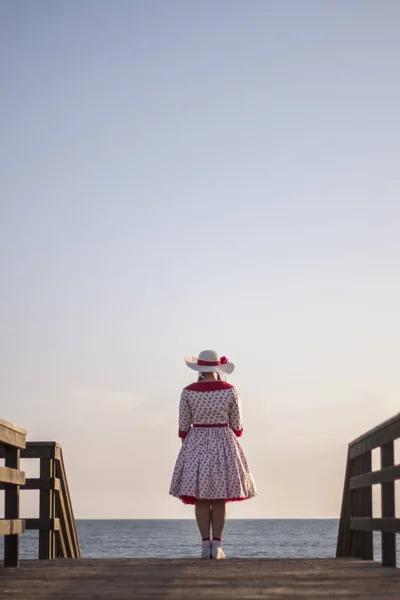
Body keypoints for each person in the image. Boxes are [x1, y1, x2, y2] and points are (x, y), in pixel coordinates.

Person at [169, 349, 257, 559]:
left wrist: (190, 445)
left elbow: (183, 426)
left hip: (196, 441)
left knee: (201, 498)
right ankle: (216, 546)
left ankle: (204, 546)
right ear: (218, 368)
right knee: (219, 498)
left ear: (199, 368)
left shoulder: (188, 392)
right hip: (223, 442)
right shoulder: (230, 391)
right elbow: (237, 426)